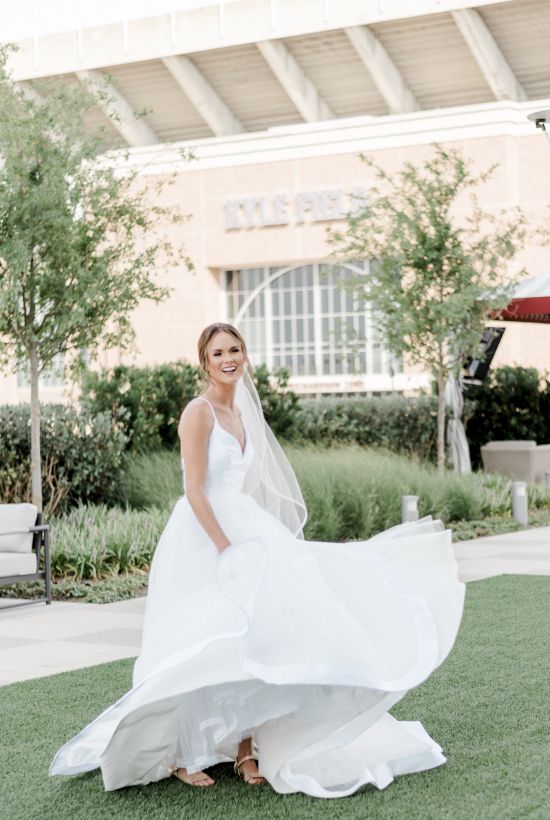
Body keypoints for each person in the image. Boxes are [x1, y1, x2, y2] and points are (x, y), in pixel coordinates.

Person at [50, 322, 465, 798]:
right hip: (202, 538)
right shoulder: (199, 412)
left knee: (261, 635)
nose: (228, 359)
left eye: (234, 349)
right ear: (204, 362)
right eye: (217, 353)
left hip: (243, 530)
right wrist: (226, 547)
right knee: (202, 639)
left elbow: (245, 486)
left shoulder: (241, 413)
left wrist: (255, 539)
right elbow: (194, 490)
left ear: (244, 354)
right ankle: (184, 754)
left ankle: (246, 747)